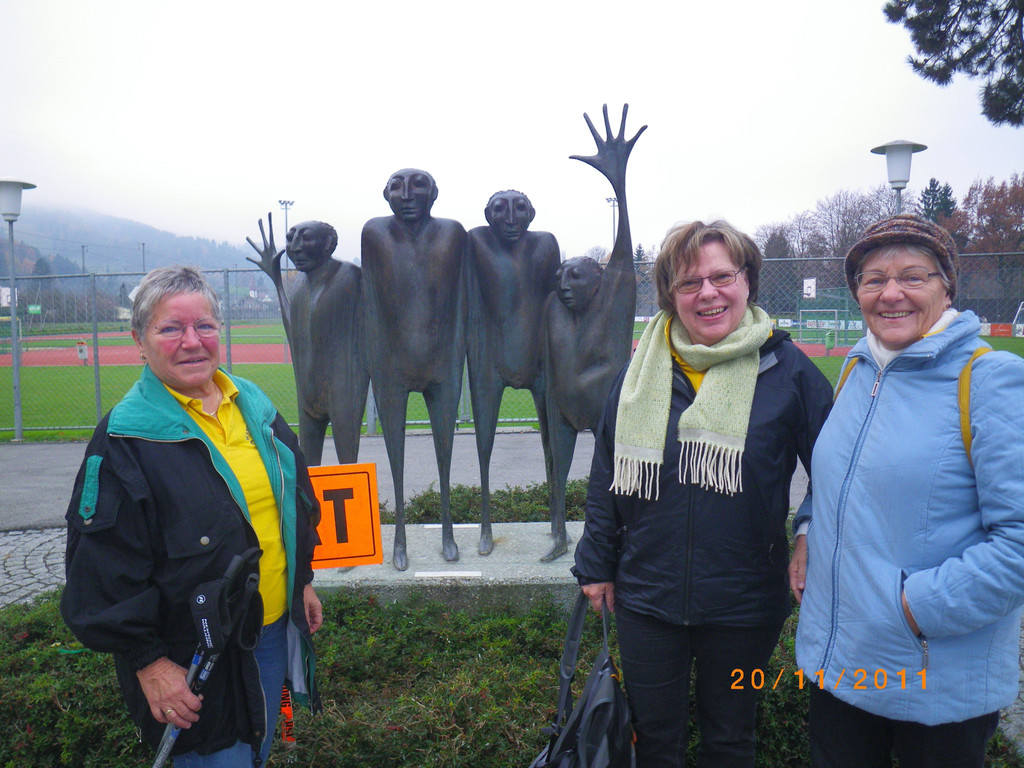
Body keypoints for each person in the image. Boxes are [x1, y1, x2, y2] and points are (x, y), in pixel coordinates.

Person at [573, 220, 833, 768]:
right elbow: (606, 473)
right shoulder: (638, 374)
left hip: (746, 604)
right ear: (671, 294)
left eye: (722, 277)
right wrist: (596, 563)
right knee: (653, 742)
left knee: (731, 741)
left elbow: (837, 474)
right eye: (690, 282)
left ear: (747, 281)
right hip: (647, 599)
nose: (708, 293)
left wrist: (808, 531)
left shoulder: (790, 371)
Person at [60, 266, 323, 767]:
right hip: (192, 661)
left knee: (260, 751)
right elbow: (101, 571)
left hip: (270, 634)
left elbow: (293, 502)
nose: (191, 341)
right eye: (170, 328)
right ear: (139, 341)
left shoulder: (253, 404)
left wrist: (301, 581)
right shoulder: (124, 438)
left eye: (204, 325)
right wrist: (149, 662)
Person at [791, 215, 1024, 768]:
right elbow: (836, 480)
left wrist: (912, 608)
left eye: (913, 276)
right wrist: (807, 530)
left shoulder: (989, 380)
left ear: (947, 287)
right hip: (840, 668)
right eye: (874, 279)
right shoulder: (856, 370)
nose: (891, 293)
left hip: (933, 679)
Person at [544, 104, 644, 562]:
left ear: (599, 281)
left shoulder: (614, 299)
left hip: (607, 406)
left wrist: (618, 185)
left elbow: (622, 253)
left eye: (576, 277)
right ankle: (558, 532)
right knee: (557, 472)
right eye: (560, 277)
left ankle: (617, 537)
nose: (565, 285)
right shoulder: (553, 310)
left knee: (614, 477)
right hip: (562, 408)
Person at [361, 168, 467, 571]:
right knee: (395, 456)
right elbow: (370, 300)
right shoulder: (374, 233)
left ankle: (448, 529)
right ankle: (400, 536)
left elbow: (463, 298)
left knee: (446, 451)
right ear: (385, 194)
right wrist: (376, 359)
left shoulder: (453, 233)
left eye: (418, 185)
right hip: (392, 363)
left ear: (434, 194)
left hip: (441, 360)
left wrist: (456, 355)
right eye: (397, 186)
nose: (406, 194)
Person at [465, 189, 561, 556]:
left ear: (531, 214)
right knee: (483, 444)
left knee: (553, 441)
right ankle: (485, 525)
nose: (510, 218)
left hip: (539, 355)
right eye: (500, 210)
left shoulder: (545, 245)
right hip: (490, 357)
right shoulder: (476, 241)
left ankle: (558, 522)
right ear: (487, 215)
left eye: (519, 209)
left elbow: (555, 300)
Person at [246, 215, 369, 466]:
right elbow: (296, 333)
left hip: (344, 388)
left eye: (306, 238)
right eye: (291, 239)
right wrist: (276, 279)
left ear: (328, 244)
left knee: (348, 466)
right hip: (308, 388)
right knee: (308, 467)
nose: (295, 247)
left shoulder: (349, 276)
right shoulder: (301, 282)